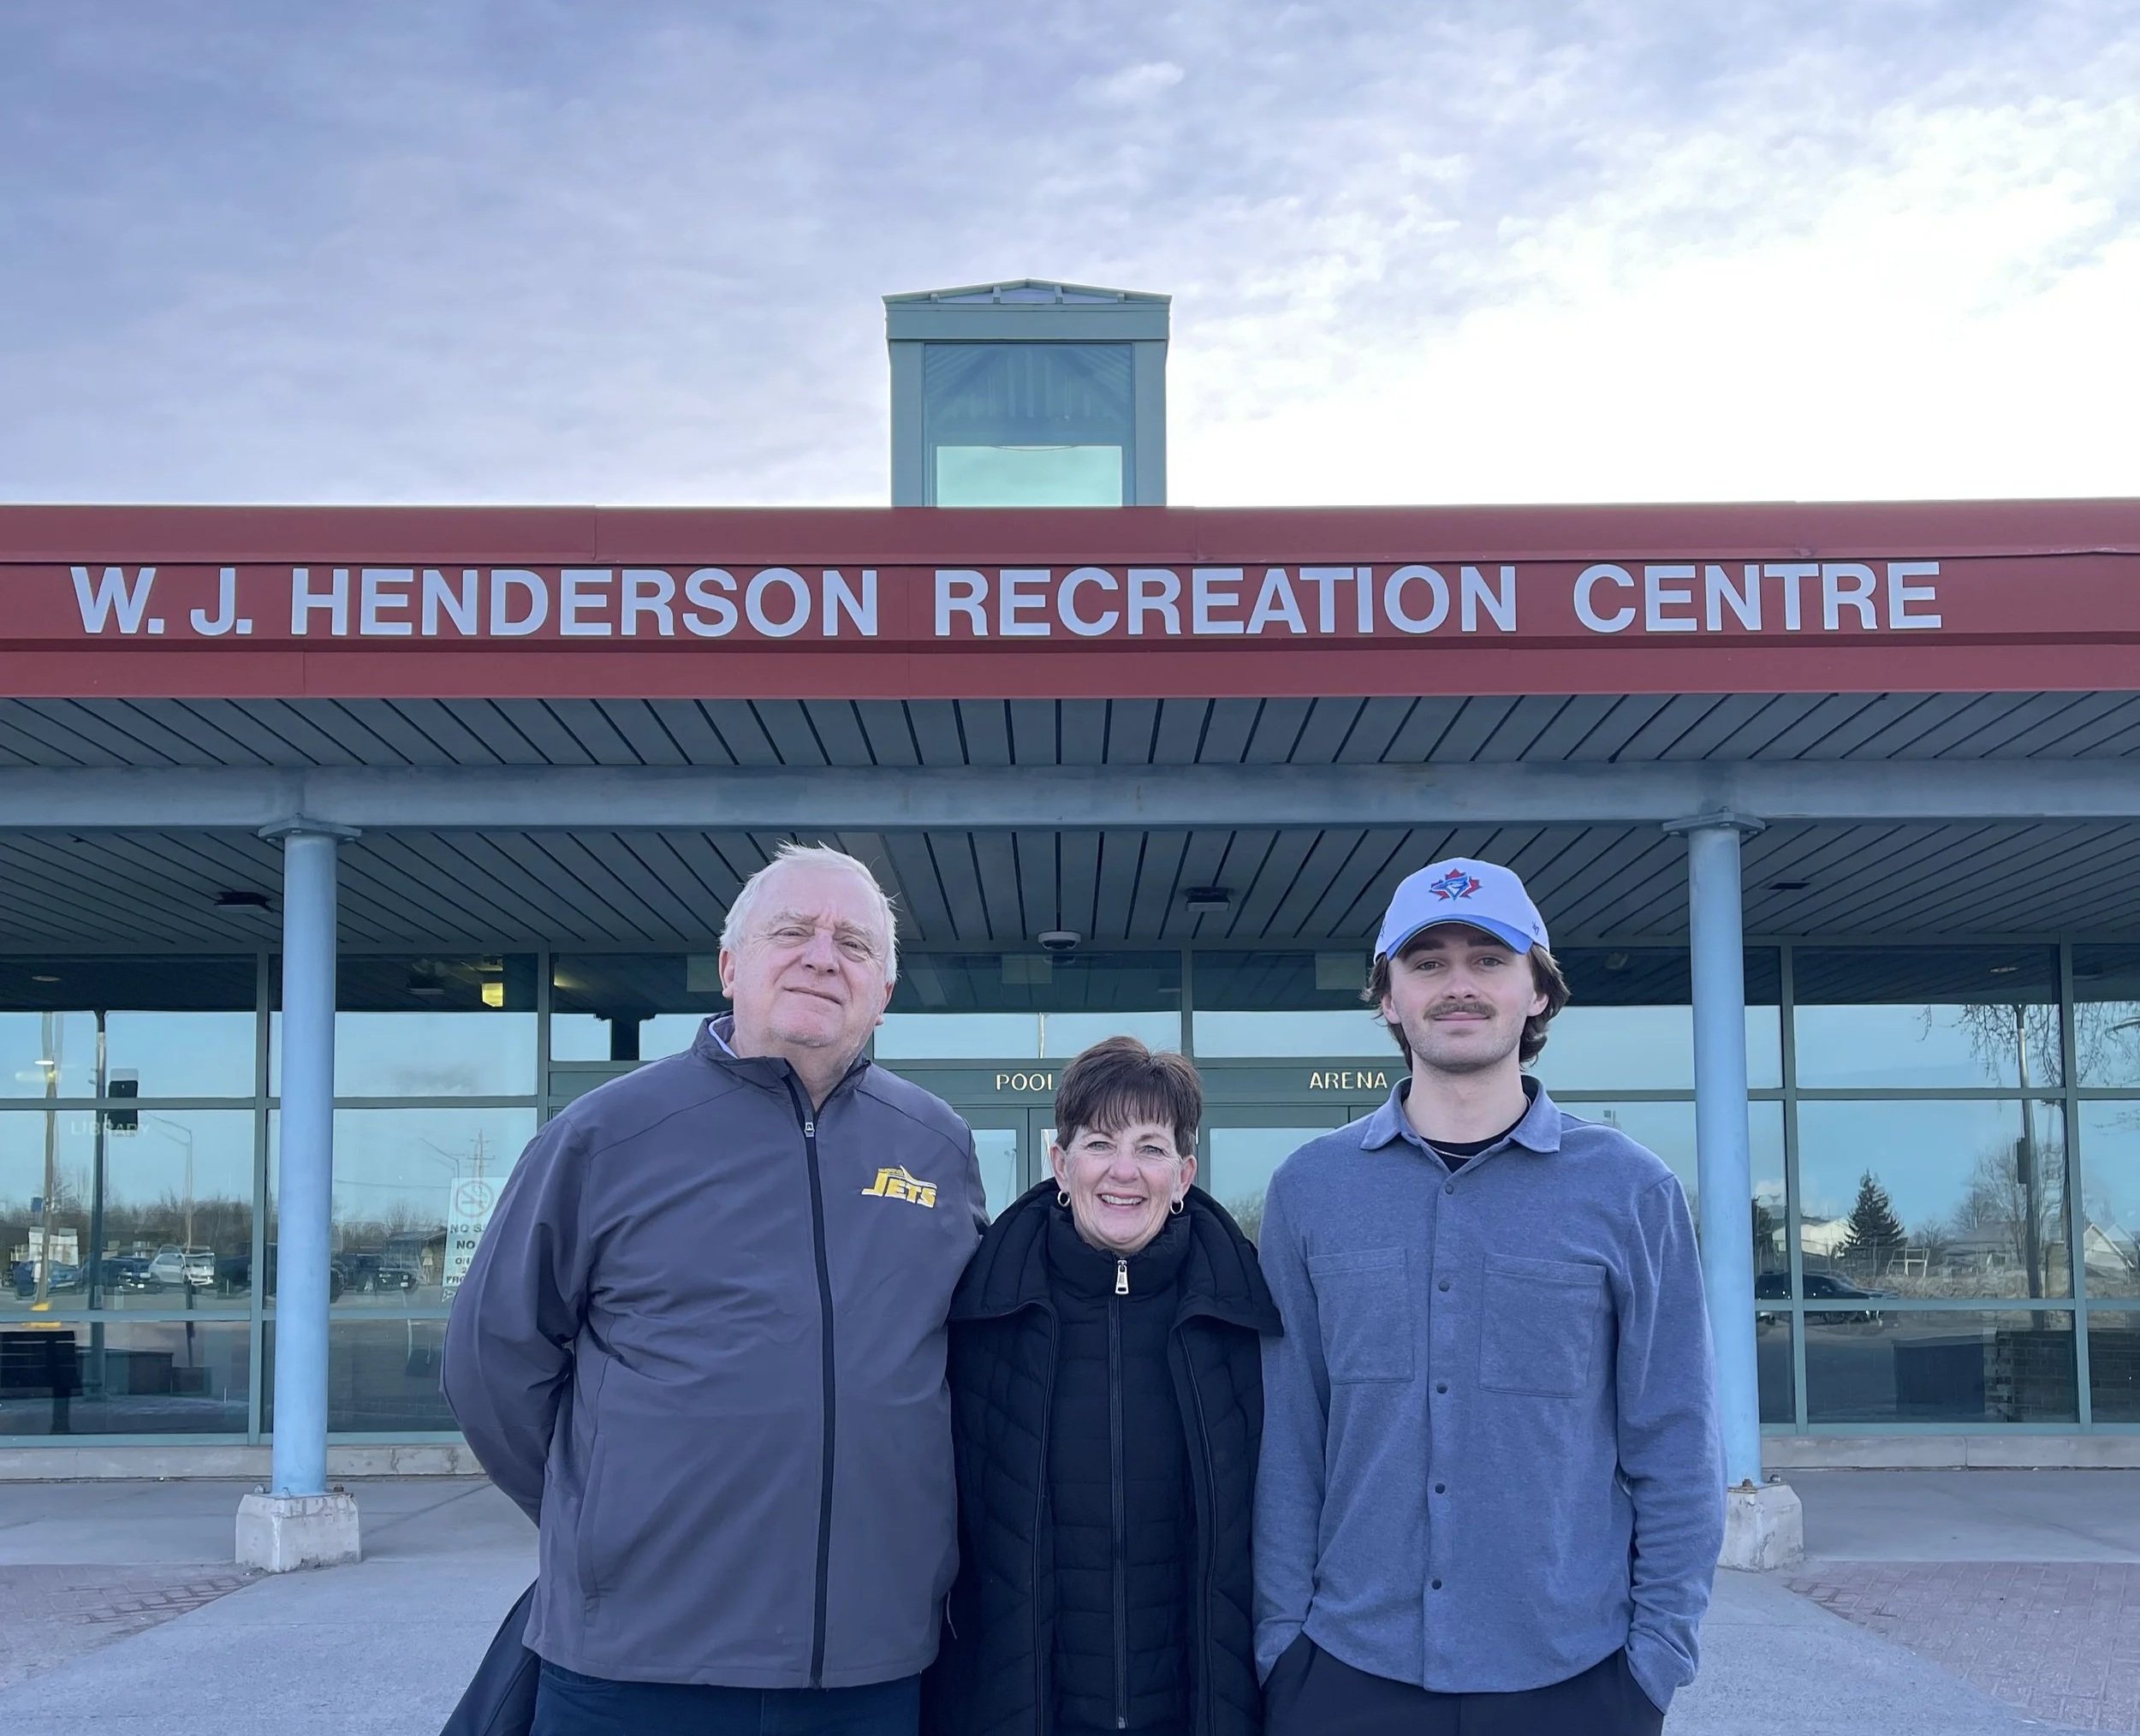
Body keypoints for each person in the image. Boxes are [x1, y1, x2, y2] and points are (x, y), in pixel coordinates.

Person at [443, 842, 985, 1736]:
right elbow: (491, 1361)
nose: (822, 955)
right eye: (792, 932)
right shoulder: (606, 1135)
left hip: (869, 1660)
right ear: (732, 964)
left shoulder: (934, 1145)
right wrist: (603, 1515)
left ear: (883, 992)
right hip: (640, 1660)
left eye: (854, 943)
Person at [1254, 858, 1722, 1736]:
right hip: (1348, 1672)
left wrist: (1654, 1663)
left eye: (1489, 959)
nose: (1457, 985)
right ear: (1386, 999)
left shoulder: (1630, 1192)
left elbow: (1676, 1440)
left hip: (1575, 1678)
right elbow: (1288, 1439)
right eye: (1426, 963)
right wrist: (1283, 1646)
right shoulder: (1309, 1191)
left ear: (1538, 992)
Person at [924, 1036, 1280, 1736]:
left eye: (1150, 1147)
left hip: (1198, 1706)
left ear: (1184, 1175)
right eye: (1099, 1143)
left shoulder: (1247, 1320)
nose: (1124, 1172)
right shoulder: (981, 1314)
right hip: (1021, 1704)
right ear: (1061, 1163)